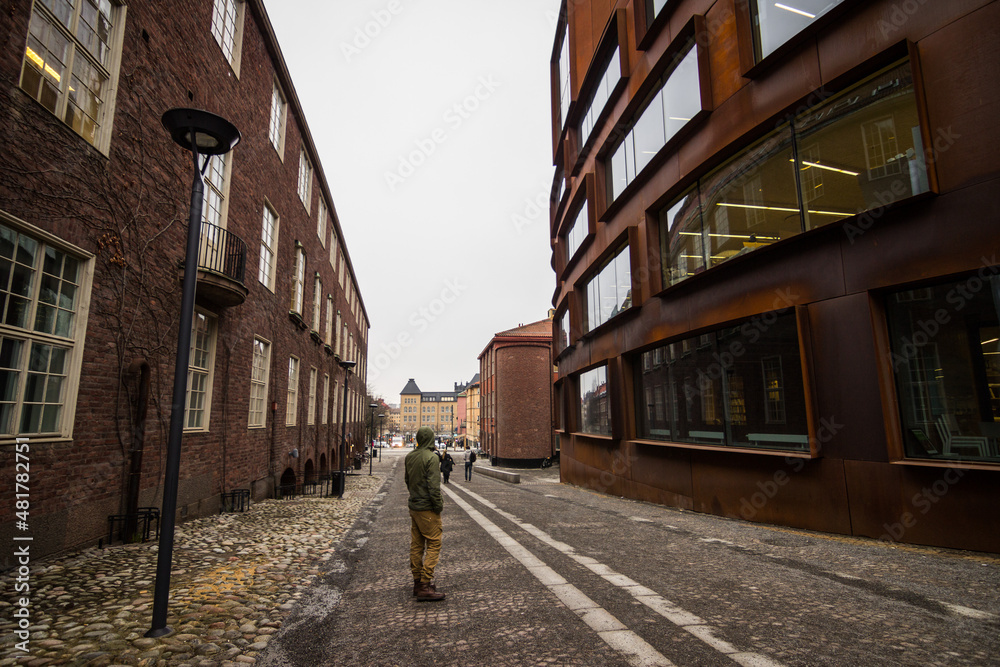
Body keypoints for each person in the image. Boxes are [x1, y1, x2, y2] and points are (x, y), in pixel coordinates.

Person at [405, 426, 446, 601]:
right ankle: (425, 583)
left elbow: (407, 480)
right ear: (431, 439)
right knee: (434, 543)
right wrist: (438, 506)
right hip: (427, 508)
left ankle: (417, 581)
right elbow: (434, 487)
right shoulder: (431, 458)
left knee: (416, 545)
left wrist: (415, 496)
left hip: (414, 507)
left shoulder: (410, 456)